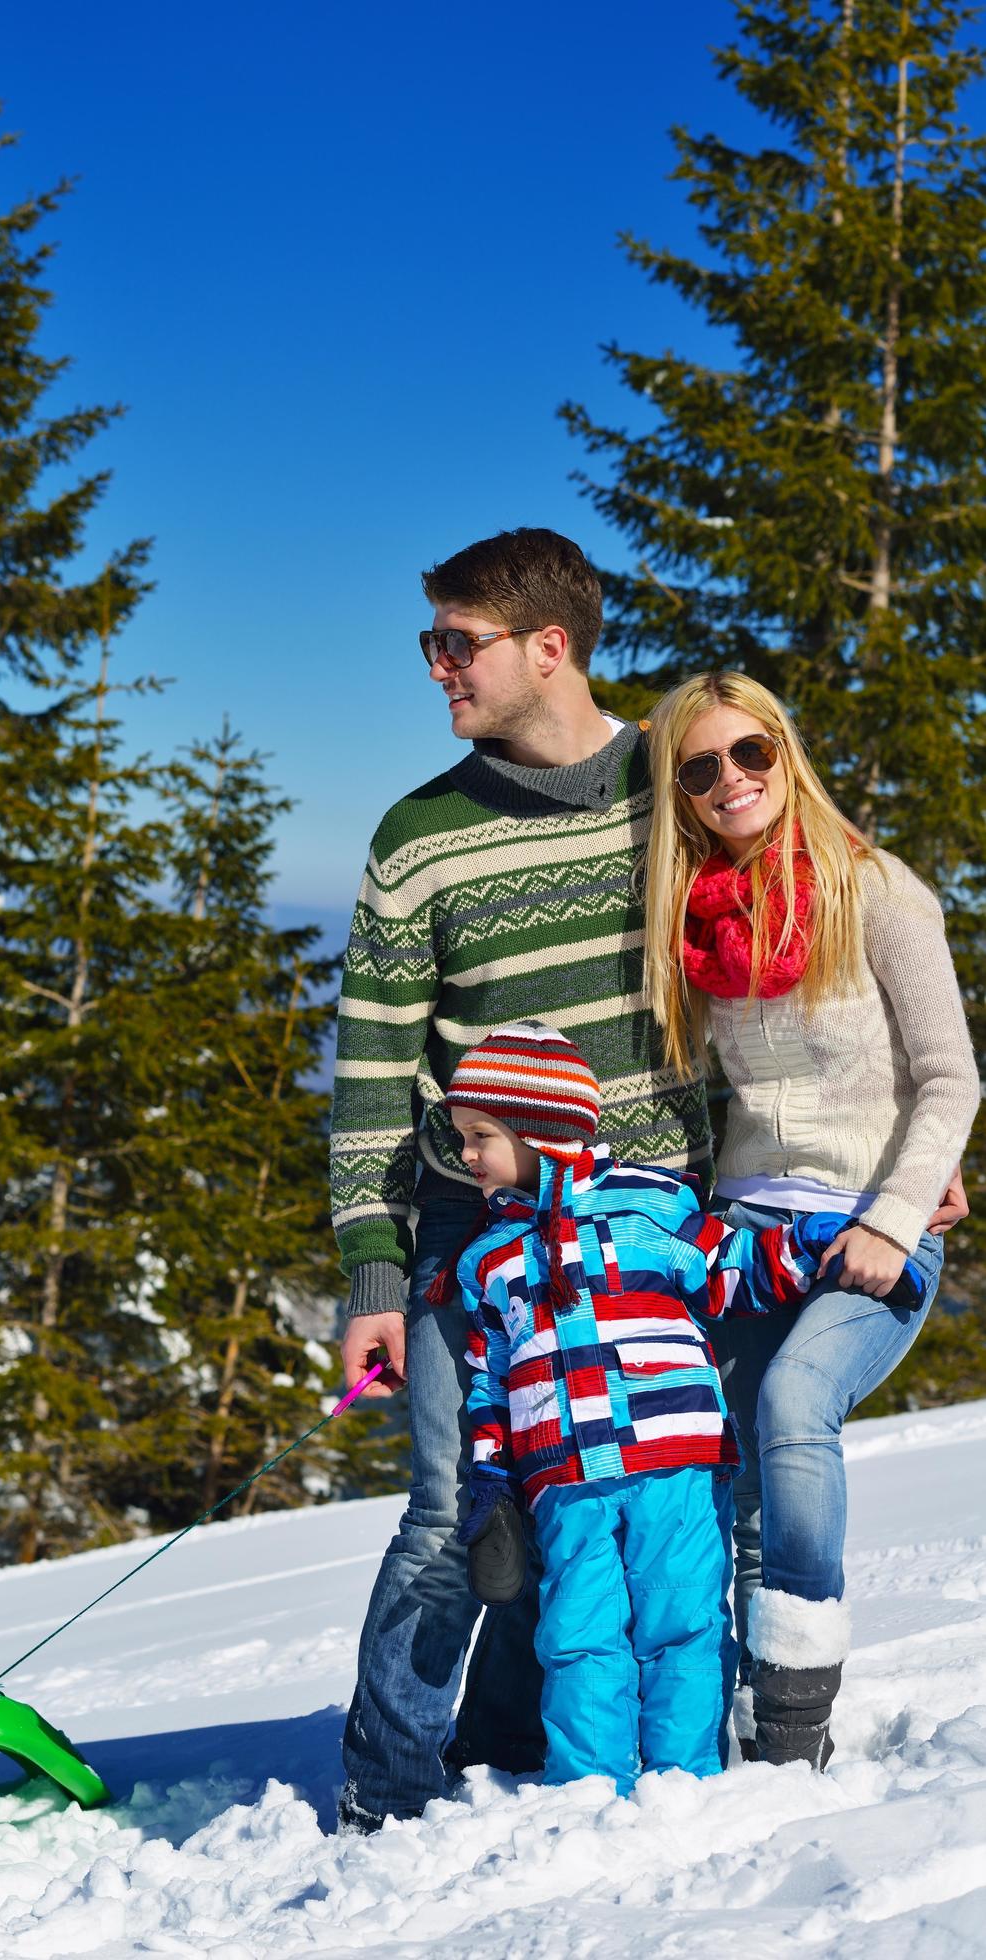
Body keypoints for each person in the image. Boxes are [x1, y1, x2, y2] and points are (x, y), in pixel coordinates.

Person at [330, 528, 713, 1832]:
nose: (437, 667)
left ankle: (516, 1739)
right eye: (429, 642)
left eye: (459, 643)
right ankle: (383, 1794)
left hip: (651, 1224)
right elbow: (376, 1070)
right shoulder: (419, 837)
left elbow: (807, 946)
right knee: (454, 1508)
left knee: (636, 1492)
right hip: (475, 1226)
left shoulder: (678, 791)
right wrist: (373, 1274)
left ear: (551, 646)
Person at [643, 671, 980, 1769]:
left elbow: (949, 1080)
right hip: (748, 1235)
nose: (731, 780)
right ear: (681, 793)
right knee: (726, 1461)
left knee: (795, 1402)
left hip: (874, 1229)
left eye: (750, 754)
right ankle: (731, 1714)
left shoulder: (878, 891)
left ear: (786, 754)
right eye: (701, 769)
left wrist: (893, 1216)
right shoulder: (693, 922)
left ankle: (793, 1726)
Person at [442, 1021, 922, 1789]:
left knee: (685, 1625)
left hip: (678, 1463)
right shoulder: (486, 1260)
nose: (466, 1155)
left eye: (479, 1135)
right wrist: (491, 1477)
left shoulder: (653, 1205)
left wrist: (821, 1244)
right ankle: (590, 1790)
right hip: (563, 1480)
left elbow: (731, 1270)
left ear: (540, 1130)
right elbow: (489, 1383)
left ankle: (685, 1783)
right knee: (577, 1635)